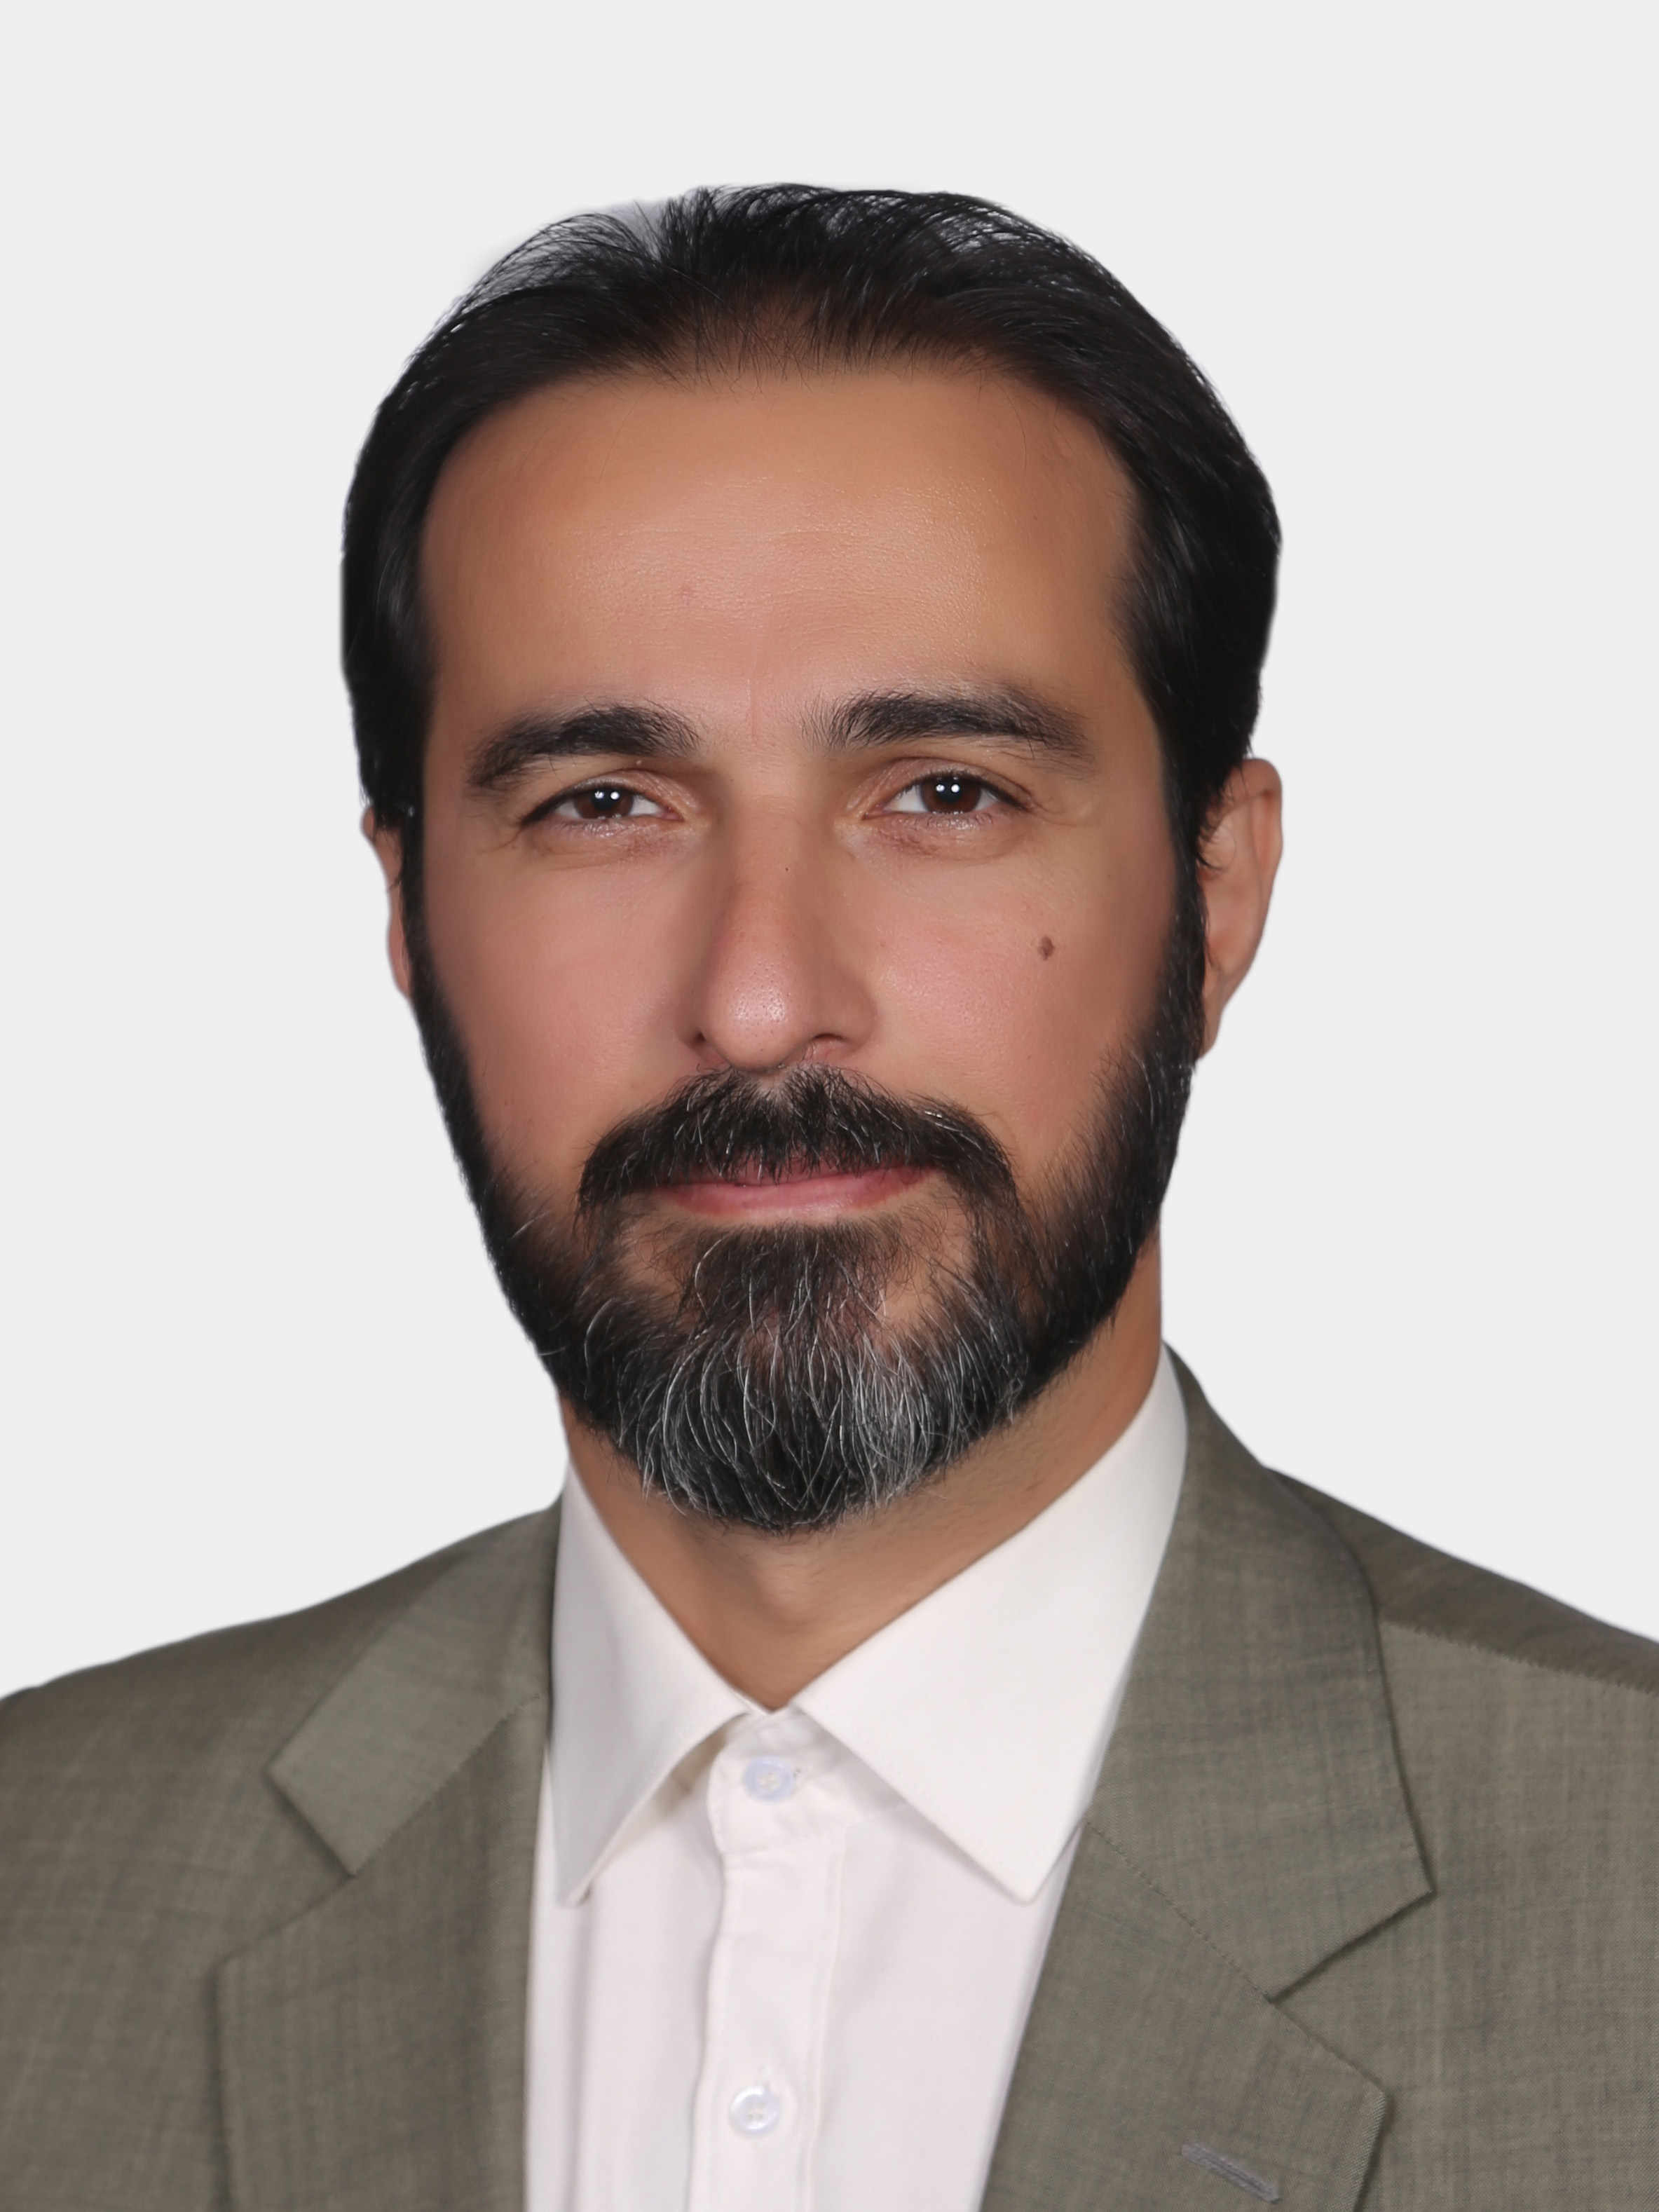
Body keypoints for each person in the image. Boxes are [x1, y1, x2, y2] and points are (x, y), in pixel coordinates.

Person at [1, 185, 1654, 2212]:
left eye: (946, 794)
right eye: (603, 805)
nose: (764, 996)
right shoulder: (38, 1883)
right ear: (411, 914)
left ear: (1215, 895)